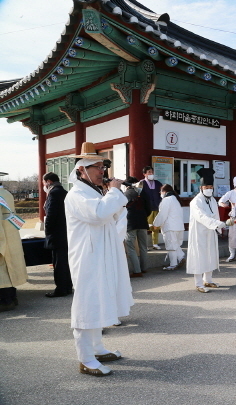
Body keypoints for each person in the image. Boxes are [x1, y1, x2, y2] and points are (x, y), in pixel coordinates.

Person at [64, 142, 133, 376]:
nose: (102, 171)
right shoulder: (76, 194)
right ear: (82, 169)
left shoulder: (93, 191)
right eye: (97, 167)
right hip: (88, 257)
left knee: (101, 299)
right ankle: (85, 359)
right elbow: (99, 214)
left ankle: (97, 348)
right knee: (87, 303)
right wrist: (114, 192)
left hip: (102, 254)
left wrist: (114, 194)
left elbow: (113, 214)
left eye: (104, 166)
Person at [187, 168, 227, 293]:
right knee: (199, 256)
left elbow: (216, 214)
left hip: (210, 232)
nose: (209, 189)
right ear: (201, 187)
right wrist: (218, 224)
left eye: (211, 186)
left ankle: (208, 280)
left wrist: (220, 227)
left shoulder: (213, 200)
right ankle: (198, 283)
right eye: (206, 187)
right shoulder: (196, 202)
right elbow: (202, 217)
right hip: (199, 233)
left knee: (210, 255)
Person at [42, 172, 73, 297]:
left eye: (44, 183)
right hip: (66, 232)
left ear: (48, 181)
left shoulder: (53, 194)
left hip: (57, 233)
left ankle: (61, 288)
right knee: (66, 262)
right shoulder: (65, 192)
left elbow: (51, 215)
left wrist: (47, 231)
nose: (44, 185)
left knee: (58, 263)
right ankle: (67, 287)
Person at [0, 184, 27, 312]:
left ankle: (6, 301)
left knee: (3, 273)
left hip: (2, 238)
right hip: (11, 236)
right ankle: (12, 297)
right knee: (10, 270)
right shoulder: (6, 194)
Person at [123, 176, 151, 278]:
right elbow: (149, 209)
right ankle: (144, 268)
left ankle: (137, 270)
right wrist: (143, 216)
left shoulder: (126, 194)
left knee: (131, 247)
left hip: (130, 223)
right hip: (143, 222)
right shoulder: (144, 193)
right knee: (143, 246)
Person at [153, 184, 185, 271]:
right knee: (176, 244)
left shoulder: (166, 200)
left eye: (160, 191)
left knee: (171, 246)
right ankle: (181, 257)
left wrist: (156, 224)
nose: (160, 193)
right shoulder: (176, 200)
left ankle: (173, 264)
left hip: (170, 227)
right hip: (179, 226)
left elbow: (162, 214)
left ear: (164, 192)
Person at [140, 166, 163, 250]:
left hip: (156, 207)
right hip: (146, 209)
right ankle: (144, 245)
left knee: (156, 227)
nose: (151, 173)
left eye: (152, 172)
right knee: (145, 227)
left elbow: (161, 193)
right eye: (149, 172)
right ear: (144, 174)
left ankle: (155, 243)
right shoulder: (141, 183)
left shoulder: (157, 183)